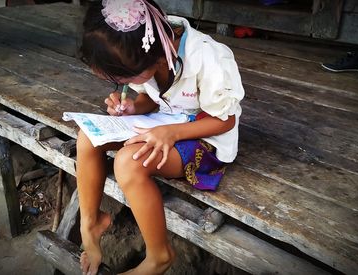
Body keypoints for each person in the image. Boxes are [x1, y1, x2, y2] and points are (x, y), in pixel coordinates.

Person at [76, 0, 244, 274]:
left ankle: (159, 256)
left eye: (127, 78)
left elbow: (226, 119)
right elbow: (151, 98)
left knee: (128, 162)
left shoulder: (208, 57)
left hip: (205, 140)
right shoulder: (144, 45)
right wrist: (133, 107)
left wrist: (172, 132)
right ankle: (91, 223)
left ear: (151, 58)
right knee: (87, 137)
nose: (127, 85)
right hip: (166, 124)